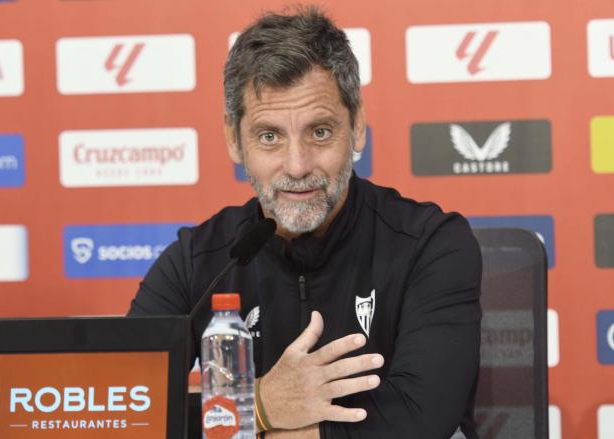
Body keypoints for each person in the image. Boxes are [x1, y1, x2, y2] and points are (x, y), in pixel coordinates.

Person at [128, 6, 481, 438]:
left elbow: (422, 417)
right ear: (233, 140)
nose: (297, 166)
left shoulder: (430, 243)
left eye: (319, 132)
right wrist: (259, 404)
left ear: (358, 126)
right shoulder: (196, 261)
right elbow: (127, 409)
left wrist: (254, 426)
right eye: (270, 136)